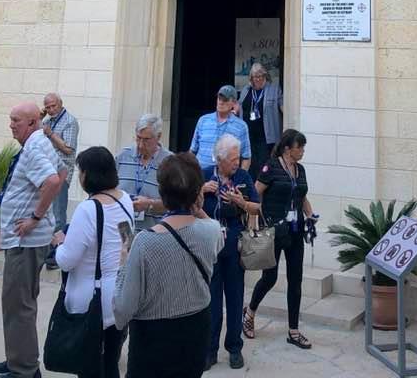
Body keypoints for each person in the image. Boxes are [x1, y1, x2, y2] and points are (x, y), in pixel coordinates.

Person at [114, 153, 224, 378]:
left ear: (162, 194)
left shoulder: (145, 242)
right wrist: (197, 205)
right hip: (195, 332)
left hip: (153, 339)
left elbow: (122, 311)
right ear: (197, 195)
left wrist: (123, 262)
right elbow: (213, 226)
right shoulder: (211, 232)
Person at [0, 102, 66, 378]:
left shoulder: (34, 147)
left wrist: (35, 216)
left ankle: (23, 369)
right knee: (20, 303)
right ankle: (18, 360)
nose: (11, 124)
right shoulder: (40, 142)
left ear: (33, 123)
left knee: (17, 304)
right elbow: (63, 171)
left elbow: (54, 181)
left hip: (26, 241)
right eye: (11, 119)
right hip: (27, 240)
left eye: (16, 120)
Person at [51, 146, 135, 378]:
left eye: (81, 171)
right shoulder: (125, 200)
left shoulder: (87, 209)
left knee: (89, 368)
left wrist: (59, 243)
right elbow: (126, 242)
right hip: (118, 296)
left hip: (91, 302)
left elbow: (67, 260)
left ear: (89, 174)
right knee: (110, 363)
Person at [243, 130, 315, 351]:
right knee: (270, 277)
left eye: (303, 147)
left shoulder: (300, 170)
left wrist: (310, 216)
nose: (302, 151)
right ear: (287, 148)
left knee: (296, 280)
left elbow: (301, 195)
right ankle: (250, 311)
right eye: (299, 147)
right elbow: (256, 193)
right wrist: (256, 220)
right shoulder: (271, 167)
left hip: (295, 231)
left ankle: (293, 330)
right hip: (275, 230)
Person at [202, 135, 260, 371]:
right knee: (212, 300)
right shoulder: (205, 174)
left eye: (238, 158)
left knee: (235, 299)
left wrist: (240, 202)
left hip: (234, 243)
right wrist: (202, 188)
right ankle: (210, 350)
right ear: (220, 159)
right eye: (233, 159)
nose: (237, 163)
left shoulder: (243, 177)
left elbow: (257, 207)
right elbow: (189, 202)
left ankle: (234, 348)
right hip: (210, 242)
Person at [42, 93, 80, 269]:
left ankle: (57, 254)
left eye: (53, 106)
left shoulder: (70, 121)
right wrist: (39, 119)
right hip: (45, 172)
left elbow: (68, 149)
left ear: (60, 104)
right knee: (45, 213)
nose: (50, 110)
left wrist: (50, 134)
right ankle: (45, 252)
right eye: (47, 107)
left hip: (60, 173)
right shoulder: (46, 122)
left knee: (58, 214)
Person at [115, 114, 172, 229]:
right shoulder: (122, 157)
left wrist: (149, 204)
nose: (140, 145)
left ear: (159, 136)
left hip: (153, 235)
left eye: (146, 140)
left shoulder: (170, 162)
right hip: (122, 233)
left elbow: (174, 204)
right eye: (138, 138)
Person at [237, 63, 283, 179]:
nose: (257, 79)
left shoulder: (274, 89)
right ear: (251, 78)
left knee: (263, 167)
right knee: (249, 165)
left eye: (260, 76)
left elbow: (282, 106)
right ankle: (249, 192)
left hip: (265, 138)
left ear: (265, 76)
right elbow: (239, 106)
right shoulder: (246, 90)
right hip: (248, 137)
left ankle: (260, 194)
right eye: (254, 77)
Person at [190, 86, 251, 171]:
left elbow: (246, 157)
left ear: (234, 103)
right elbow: (192, 151)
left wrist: (240, 179)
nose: (221, 102)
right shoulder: (203, 120)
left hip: (227, 178)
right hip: (200, 176)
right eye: (219, 99)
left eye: (225, 100)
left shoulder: (241, 126)